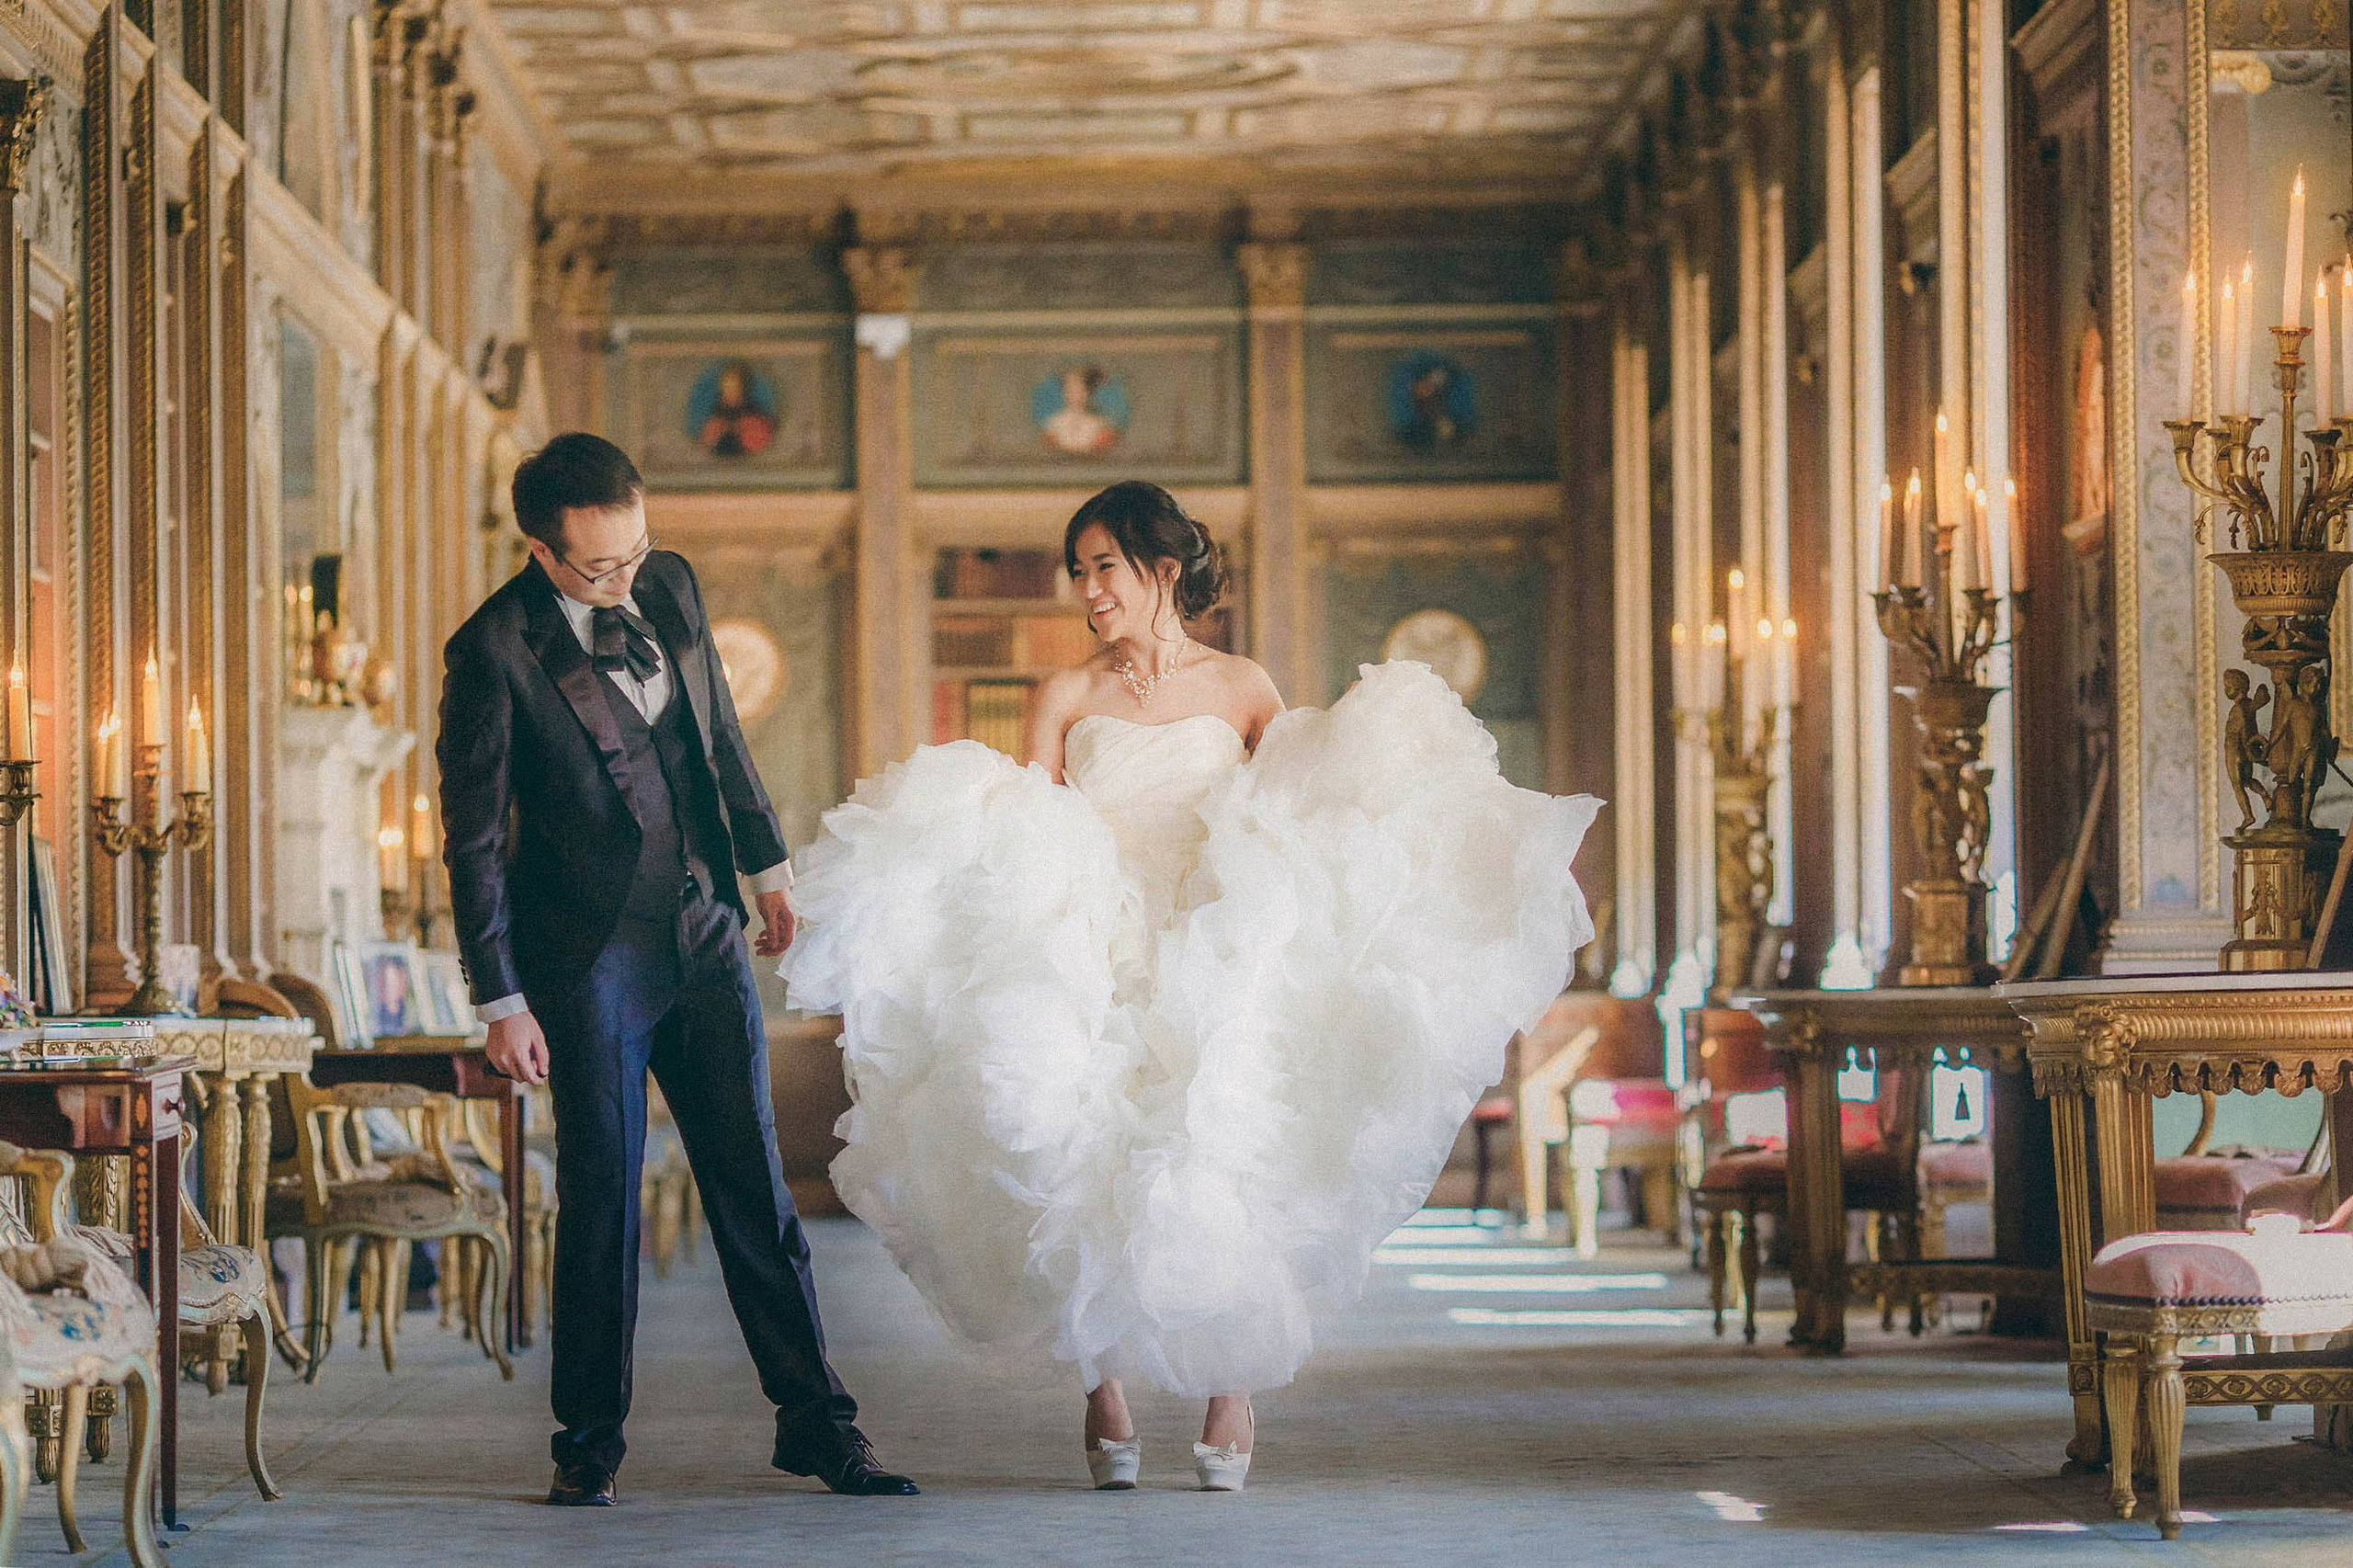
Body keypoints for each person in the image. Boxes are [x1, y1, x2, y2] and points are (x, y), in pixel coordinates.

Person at [780, 480, 1597, 1493]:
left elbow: (1298, 811)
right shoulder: (1066, 694)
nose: (1087, 589)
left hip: (1216, 936)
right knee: (1085, 1152)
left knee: (1223, 1151)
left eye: (1103, 566)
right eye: (1077, 571)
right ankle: (1103, 1381)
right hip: (1095, 940)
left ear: (1161, 568)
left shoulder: (1244, 685)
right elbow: (1022, 827)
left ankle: (1230, 1386)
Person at [436, 433, 915, 1507]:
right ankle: (588, 1443)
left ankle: (819, 1426)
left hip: (704, 932)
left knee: (755, 1190)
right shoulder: (493, 651)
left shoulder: (672, 582)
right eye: (599, 566)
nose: (625, 577)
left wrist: (767, 867)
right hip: (587, 960)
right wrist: (500, 996)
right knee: (600, 1203)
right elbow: (470, 840)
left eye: (637, 550)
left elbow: (720, 733)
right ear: (542, 553)